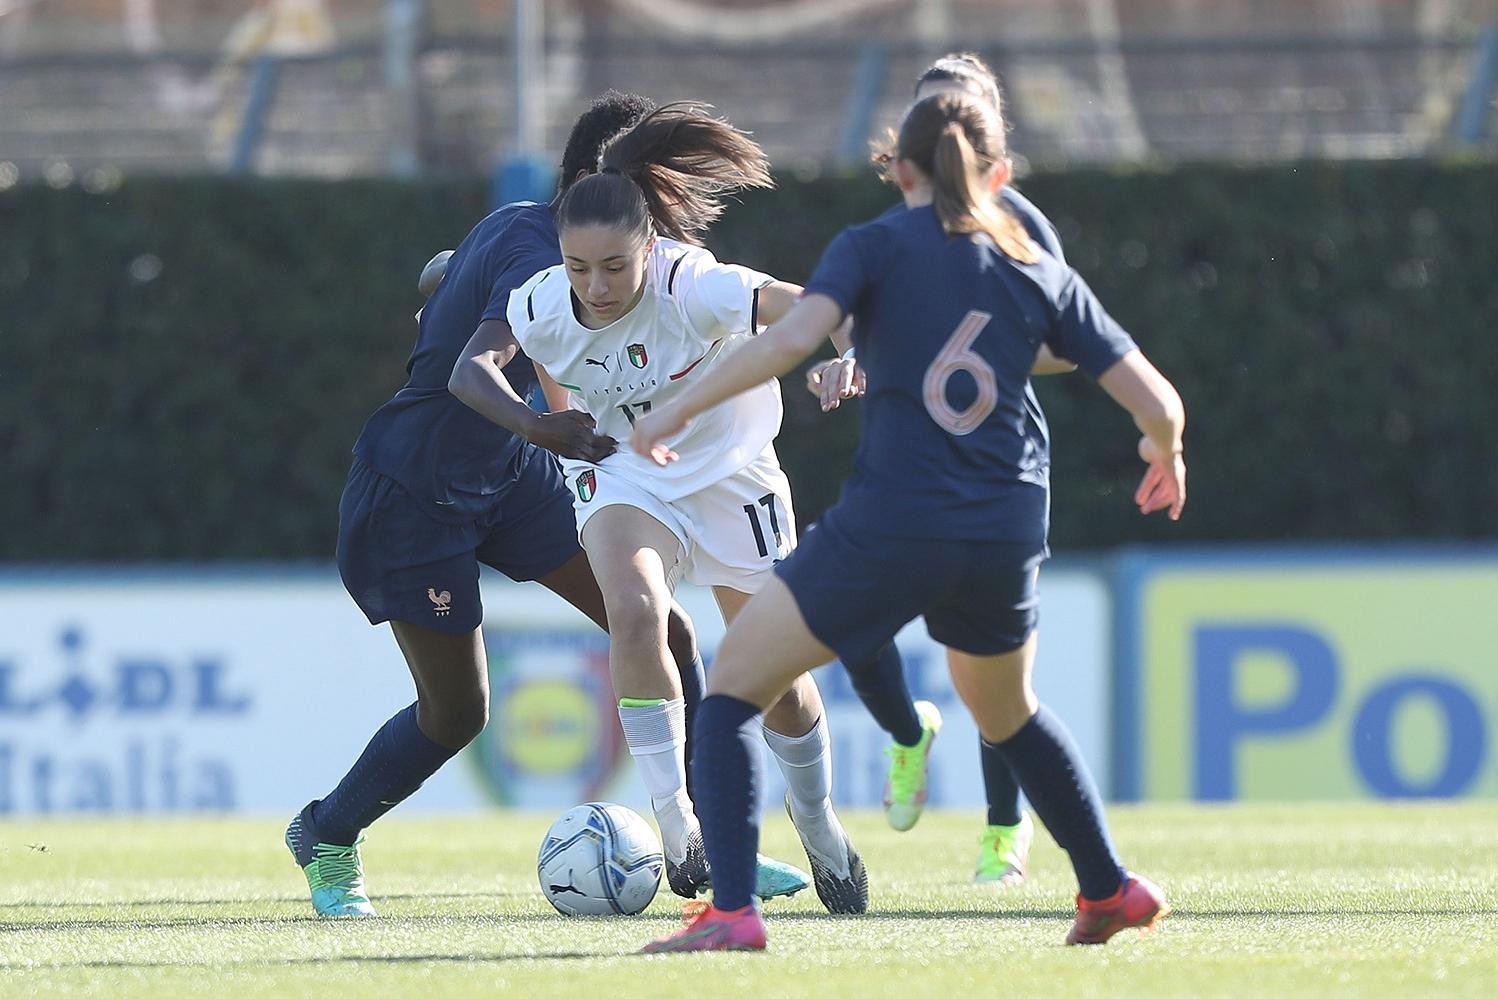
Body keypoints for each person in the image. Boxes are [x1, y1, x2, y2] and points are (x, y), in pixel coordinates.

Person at [635, 90, 1184, 952]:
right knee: (1010, 717)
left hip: (894, 526)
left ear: (898, 168)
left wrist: (673, 410)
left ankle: (733, 912)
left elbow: (787, 343)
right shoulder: (1035, 264)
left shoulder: (873, 246)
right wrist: (1166, 452)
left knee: (733, 688)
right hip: (1003, 532)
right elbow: (1156, 399)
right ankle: (1107, 887)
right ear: (1000, 175)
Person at [285, 91, 809, 918]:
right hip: (416, 488)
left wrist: (449, 285)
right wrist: (541, 421)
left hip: (516, 472)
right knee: (459, 711)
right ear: (616, 178)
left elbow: (445, 274)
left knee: (662, 626)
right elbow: (473, 364)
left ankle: (707, 839)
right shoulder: (544, 253)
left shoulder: (536, 231)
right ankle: (328, 832)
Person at [476, 102, 868, 914]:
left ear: (650, 248)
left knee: (777, 678)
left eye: (615, 266)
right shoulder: (545, 300)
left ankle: (818, 820)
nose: (597, 286)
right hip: (627, 476)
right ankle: (676, 817)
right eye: (579, 268)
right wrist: (542, 422)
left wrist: (846, 356)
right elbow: (476, 364)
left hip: (732, 473)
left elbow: (818, 304)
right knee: (635, 605)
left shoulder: (695, 284)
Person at [808, 51, 1072, 886]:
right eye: (925, 118)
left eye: (954, 115)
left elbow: (1074, 342)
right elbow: (858, 324)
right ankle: (908, 732)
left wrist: (977, 358)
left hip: (994, 470)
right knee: (851, 621)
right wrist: (851, 360)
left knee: (992, 673)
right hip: (904, 465)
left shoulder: (1016, 221)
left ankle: (1003, 828)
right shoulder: (885, 233)